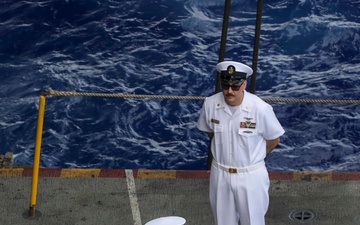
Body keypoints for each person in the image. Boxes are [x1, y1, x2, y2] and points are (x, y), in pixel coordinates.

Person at [197, 61, 285, 225]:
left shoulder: (260, 108)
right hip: (220, 174)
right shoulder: (210, 104)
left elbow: (274, 139)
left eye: (235, 86)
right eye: (225, 85)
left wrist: (254, 157)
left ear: (244, 84)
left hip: (250, 176)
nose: (229, 91)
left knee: (253, 222)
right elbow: (211, 132)